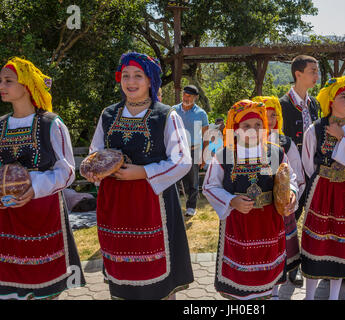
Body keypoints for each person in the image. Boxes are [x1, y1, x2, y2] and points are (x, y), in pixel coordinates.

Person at [84, 52, 193, 300]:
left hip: (154, 203)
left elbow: (182, 160)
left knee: (158, 275)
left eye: (138, 76)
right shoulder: (109, 114)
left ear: (150, 81)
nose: (130, 82)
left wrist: (144, 172)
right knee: (122, 270)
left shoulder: (166, 115)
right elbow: (95, 152)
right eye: (125, 76)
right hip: (116, 205)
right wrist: (95, 170)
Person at [0, 57, 85, 300]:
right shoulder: (1, 125)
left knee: (44, 288)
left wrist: (34, 187)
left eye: (8, 80)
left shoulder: (50, 123)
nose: (1, 86)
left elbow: (67, 170)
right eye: (0, 81)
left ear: (26, 85)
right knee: (10, 288)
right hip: (7, 217)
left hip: (43, 214)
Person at [202, 99, 299, 300]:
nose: (253, 130)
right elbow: (209, 186)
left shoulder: (274, 152)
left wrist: (291, 192)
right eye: (246, 126)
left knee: (266, 279)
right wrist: (231, 201)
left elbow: (290, 178)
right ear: (236, 129)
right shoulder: (224, 155)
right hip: (239, 224)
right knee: (241, 282)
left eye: (258, 125)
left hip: (269, 224)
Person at [301, 76, 345, 300]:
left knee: (340, 244)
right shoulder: (317, 127)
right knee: (317, 242)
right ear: (331, 100)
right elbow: (308, 161)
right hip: (321, 191)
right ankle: (310, 295)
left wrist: (342, 139)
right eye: (343, 96)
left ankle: (334, 296)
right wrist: (322, 176)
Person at [253, 95, 305, 299]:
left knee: (284, 242)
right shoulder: (243, 142)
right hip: (257, 207)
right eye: (265, 114)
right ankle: (258, 284)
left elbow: (297, 173)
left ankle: (290, 272)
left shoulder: (284, 142)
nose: (271, 119)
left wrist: (292, 193)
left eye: (274, 114)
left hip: (281, 205)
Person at [279, 54, 320, 286]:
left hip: (311, 168)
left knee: (304, 216)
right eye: (312, 71)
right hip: (291, 170)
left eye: (317, 71)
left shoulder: (314, 104)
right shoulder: (283, 104)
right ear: (298, 74)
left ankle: (297, 261)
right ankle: (284, 262)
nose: (316, 75)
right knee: (289, 216)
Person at [173, 85, 209, 216]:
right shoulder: (173, 110)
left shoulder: (201, 113)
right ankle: (175, 206)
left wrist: (204, 156)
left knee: (192, 180)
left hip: (194, 150)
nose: (185, 98)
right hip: (176, 150)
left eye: (189, 96)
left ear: (195, 98)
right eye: (184, 95)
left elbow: (206, 136)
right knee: (174, 178)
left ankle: (191, 206)